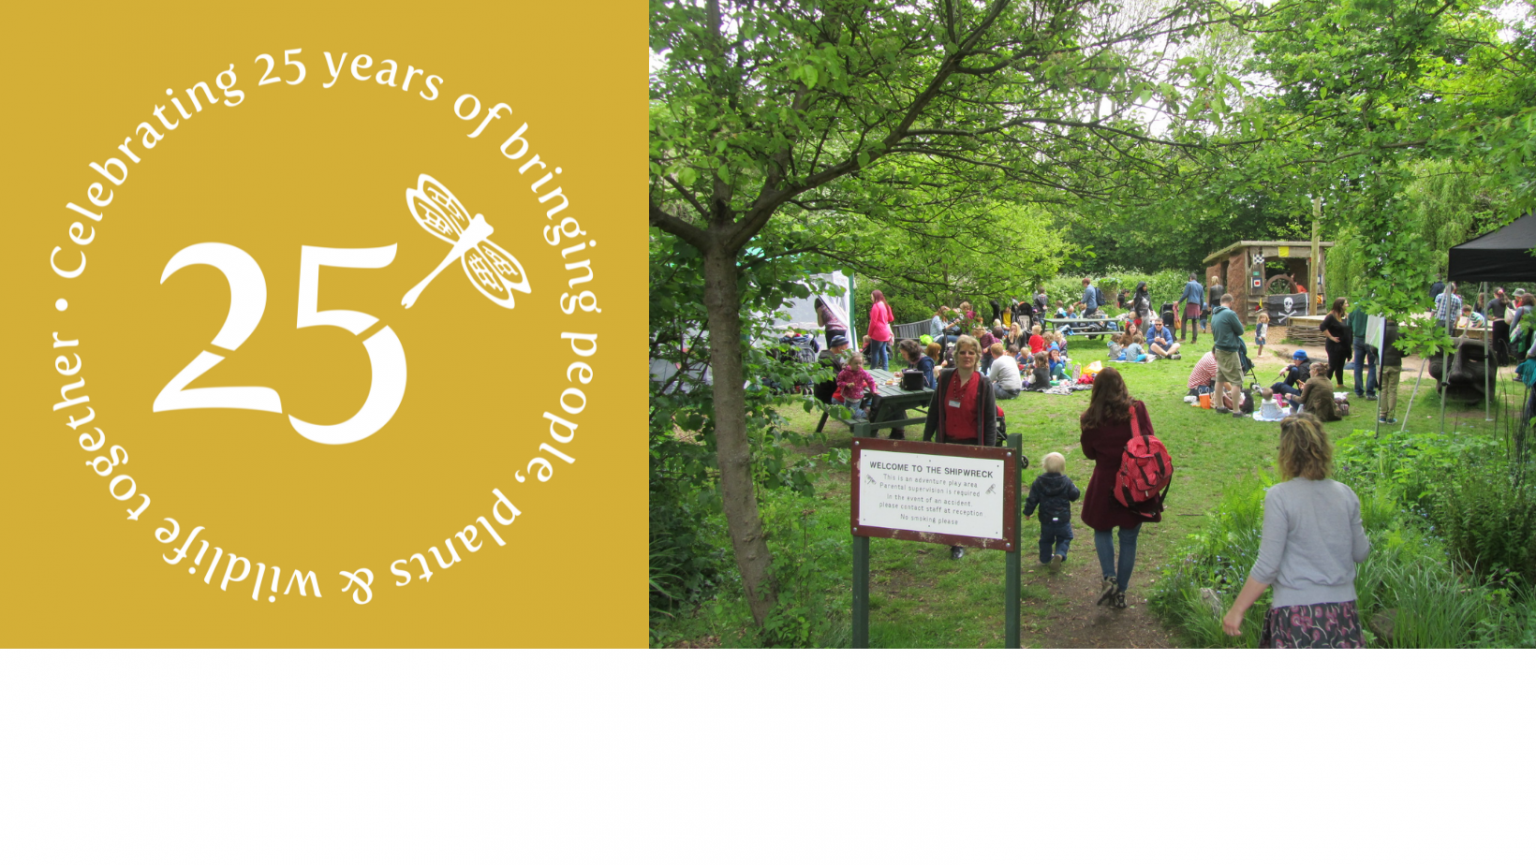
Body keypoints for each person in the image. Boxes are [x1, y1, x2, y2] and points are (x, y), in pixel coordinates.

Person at [1221, 414, 1370, 648]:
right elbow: (1361, 552)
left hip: (1297, 615)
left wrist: (1237, 609)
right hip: (1344, 612)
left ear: (1286, 453)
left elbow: (1267, 565)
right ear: (1324, 448)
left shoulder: (1280, 497)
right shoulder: (1346, 494)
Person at [1079, 367, 1158, 609]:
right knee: (1129, 537)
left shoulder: (1090, 417)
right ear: (1121, 385)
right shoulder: (1136, 409)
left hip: (1105, 481)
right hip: (1134, 482)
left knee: (1102, 529)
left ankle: (1109, 577)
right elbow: (1149, 438)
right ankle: (1121, 591)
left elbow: (1089, 453)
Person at [924, 335, 998, 559]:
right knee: (949, 494)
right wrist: (926, 440)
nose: (967, 356)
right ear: (956, 355)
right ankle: (954, 538)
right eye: (963, 352)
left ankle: (964, 536)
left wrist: (988, 452)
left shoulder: (983, 383)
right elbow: (934, 411)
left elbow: (990, 421)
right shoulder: (946, 377)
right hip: (947, 444)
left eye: (971, 352)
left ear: (977, 356)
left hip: (972, 447)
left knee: (967, 494)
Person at [1025, 452, 1080, 565]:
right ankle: (1060, 553)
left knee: (1046, 539)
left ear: (1044, 466)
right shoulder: (1066, 482)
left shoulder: (1039, 482)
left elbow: (1032, 498)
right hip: (1063, 518)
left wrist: (1028, 512)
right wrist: (1075, 488)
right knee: (1065, 537)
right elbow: (1074, 496)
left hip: (1046, 518)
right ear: (1063, 468)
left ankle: (1045, 559)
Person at [1211, 292, 1246, 416]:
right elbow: (1240, 330)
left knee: (1220, 378)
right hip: (1229, 350)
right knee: (1237, 380)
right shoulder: (1230, 314)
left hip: (1218, 349)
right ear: (1231, 303)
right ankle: (1236, 411)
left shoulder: (1214, 313)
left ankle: (1220, 406)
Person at [833, 350, 878, 421]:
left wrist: (873, 390)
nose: (858, 365)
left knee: (853, 413)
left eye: (860, 363)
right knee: (847, 411)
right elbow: (838, 381)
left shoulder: (862, 372)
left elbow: (870, 381)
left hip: (857, 396)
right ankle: (863, 413)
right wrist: (846, 384)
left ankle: (866, 414)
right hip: (847, 395)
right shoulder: (845, 372)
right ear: (850, 363)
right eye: (856, 363)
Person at [1345, 302, 1375, 400]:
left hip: (1357, 338)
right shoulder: (1374, 306)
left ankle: (1359, 391)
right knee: (1372, 365)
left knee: (1358, 365)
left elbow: (1349, 324)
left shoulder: (1354, 306)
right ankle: (1370, 392)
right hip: (1371, 338)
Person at [1319, 298, 1350, 388]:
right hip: (1333, 346)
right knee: (1332, 365)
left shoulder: (1344, 316)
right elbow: (1322, 326)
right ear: (1340, 305)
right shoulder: (1331, 316)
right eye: (1346, 303)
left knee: (1340, 365)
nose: (1347, 305)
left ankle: (1340, 383)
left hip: (1343, 345)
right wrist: (1330, 337)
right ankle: (1325, 384)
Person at [1378, 319, 1402, 424]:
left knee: (1383, 389)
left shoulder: (1380, 330)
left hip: (1382, 362)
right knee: (1393, 390)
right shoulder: (1400, 331)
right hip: (1395, 362)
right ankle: (1391, 416)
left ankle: (1382, 415)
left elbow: (1373, 348)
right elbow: (1405, 349)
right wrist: (1398, 355)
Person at [867, 289, 895, 371]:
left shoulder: (876, 306)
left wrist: (869, 334)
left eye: (872, 297)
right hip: (886, 331)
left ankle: (872, 369)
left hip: (878, 332)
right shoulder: (885, 305)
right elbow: (891, 318)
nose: (871, 298)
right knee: (883, 350)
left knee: (875, 352)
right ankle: (885, 369)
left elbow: (873, 321)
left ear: (876, 296)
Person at [1178, 273, 1205, 342]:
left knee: (1184, 320)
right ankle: (1194, 339)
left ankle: (1183, 337)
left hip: (1190, 304)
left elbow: (1185, 295)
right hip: (1197, 305)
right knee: (1194, 322)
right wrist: (1201, 308)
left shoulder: (1189, 284)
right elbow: (1202, 298)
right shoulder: (1200, 286)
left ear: (1190, 278)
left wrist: (1178, 302)